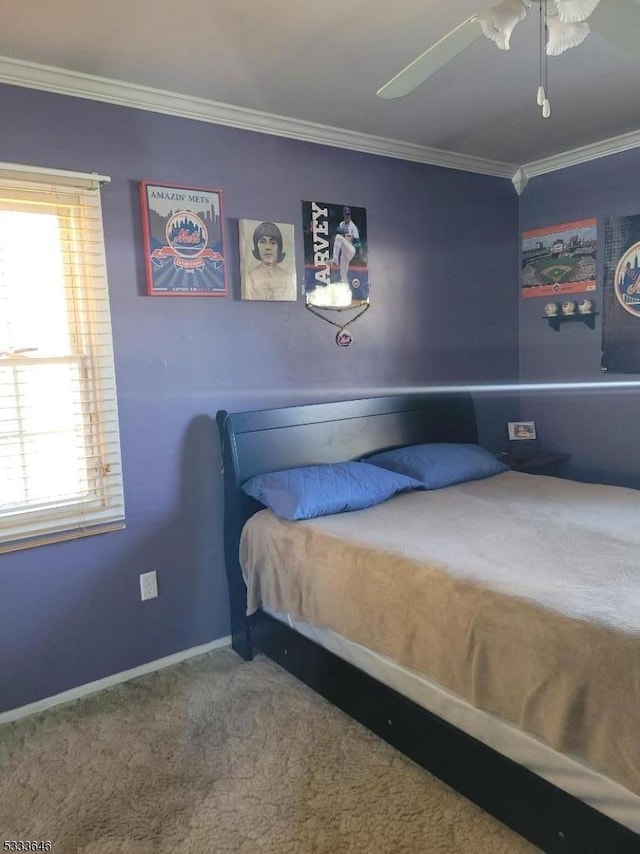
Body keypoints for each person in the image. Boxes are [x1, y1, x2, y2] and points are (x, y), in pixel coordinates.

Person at [243, 221, 295, 301]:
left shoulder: (287, 278)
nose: (268, 247)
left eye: (273, 242)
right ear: (256, 246)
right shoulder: (250, 277)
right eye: (262, 242)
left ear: (279, 247)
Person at [331, 207, 360, 284]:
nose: (348, 216)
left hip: (351, 249)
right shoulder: (341, 224)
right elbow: (339, 240)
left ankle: (335, 260)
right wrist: (341, 232)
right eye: (346, 214)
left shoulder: (353, 227)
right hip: (344, 251)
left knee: (338, 237)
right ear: (343, 214)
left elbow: (358, 243)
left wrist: (350, 238)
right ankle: (346, 291)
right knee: (343, 274)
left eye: (349, 214)